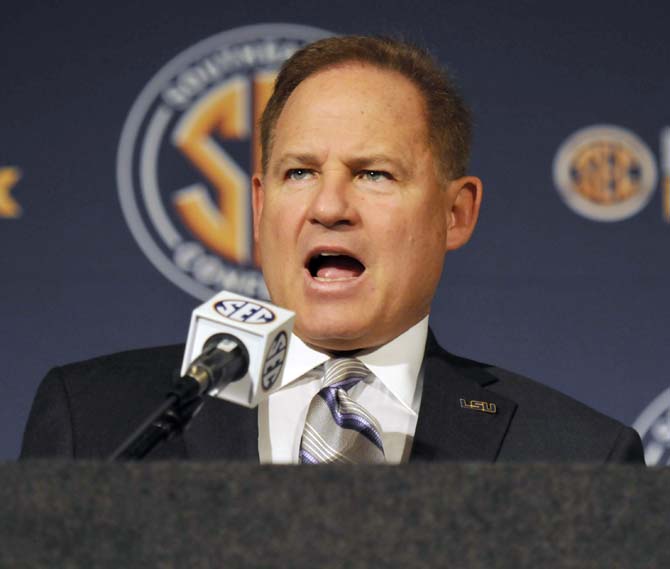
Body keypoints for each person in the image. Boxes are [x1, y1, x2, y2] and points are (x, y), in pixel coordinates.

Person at [21, 35, 644, 463]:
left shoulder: (577, 454)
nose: (329, 206)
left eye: (374, 173)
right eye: (299, 173)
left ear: (456, 214)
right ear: (261, 208)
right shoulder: (98, 420)